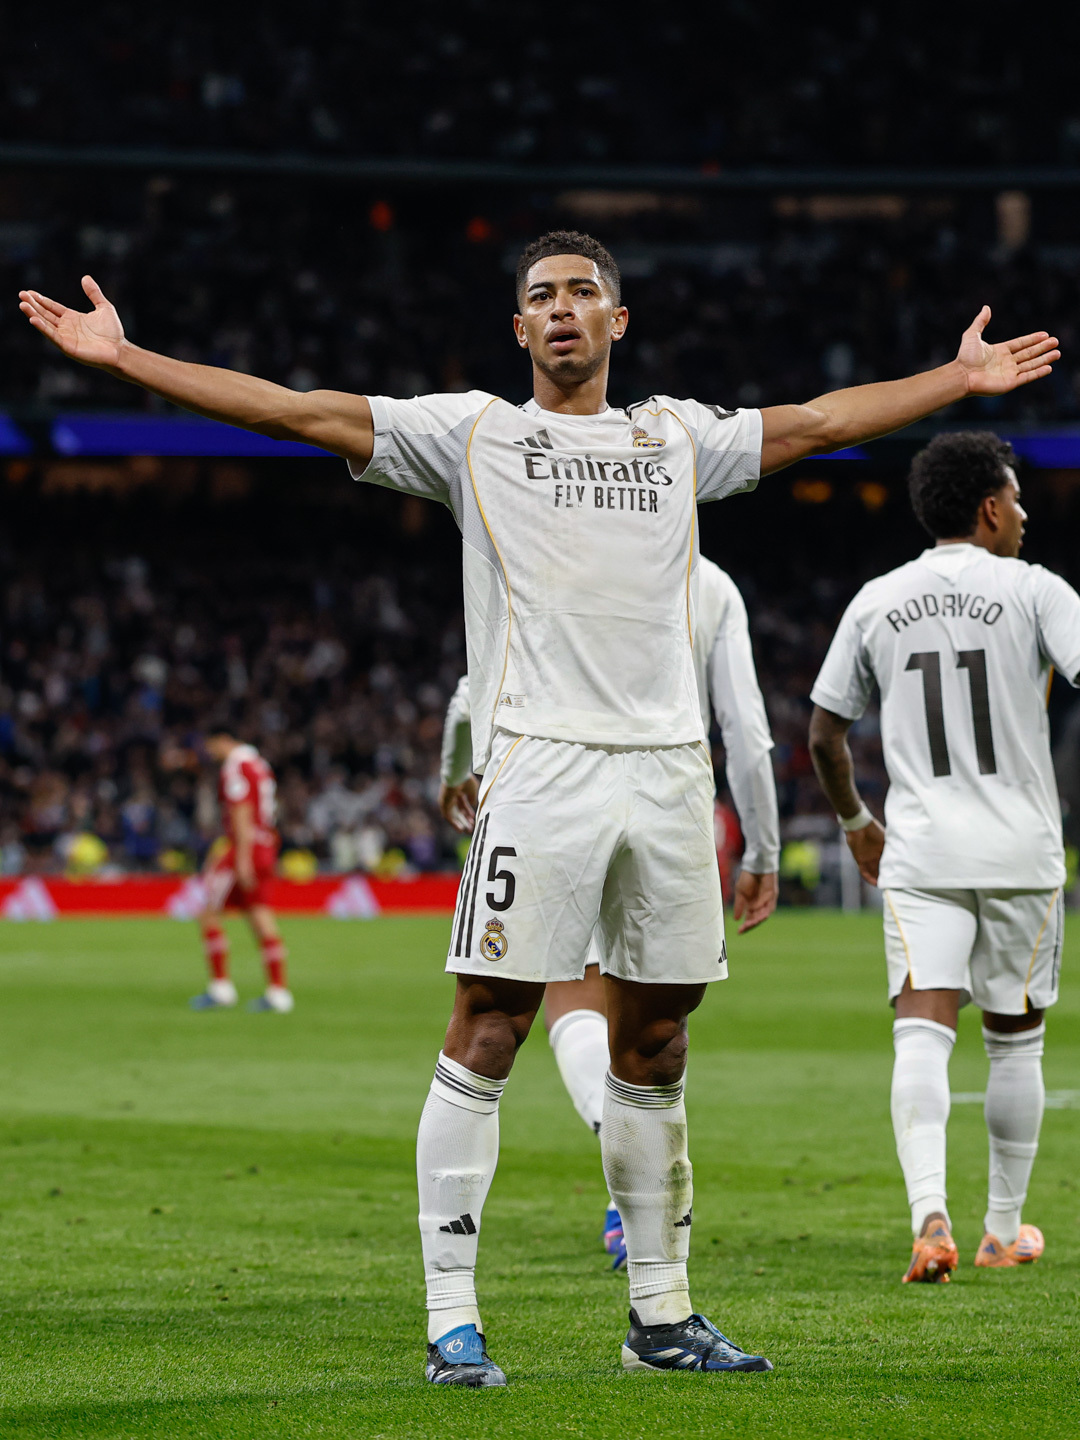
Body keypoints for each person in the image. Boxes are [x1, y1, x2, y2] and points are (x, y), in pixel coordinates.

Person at [19, 233, 1057, 1384]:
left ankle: (660, 1318)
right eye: (539, 298)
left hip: (667, 778)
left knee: (657, 1040)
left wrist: (954, 382)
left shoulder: (675, 439)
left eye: (582, 294)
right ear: (518, 330)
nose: (561, 311)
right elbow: (292, 413)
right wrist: (129, 361)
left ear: (621, 321)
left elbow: (817, 421)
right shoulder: (472, 433)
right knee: (490, 1026)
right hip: (541, 769)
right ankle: (451, 1316)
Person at [438, 556, 781, 1271]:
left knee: (552, 1003)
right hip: (667, 802)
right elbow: (746, 726)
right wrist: (762, 847)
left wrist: (452, 773)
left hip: (554, 794)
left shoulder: (557, 551)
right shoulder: (712, 583)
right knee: (655, 1026)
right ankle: (649, 1233)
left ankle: (613, 1170)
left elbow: (474, 690)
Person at [808, 432, 1079, 1284]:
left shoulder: (877, 599)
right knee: (1015, 1045)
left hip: (919, 852)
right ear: (992, 508)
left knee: (921, 1035)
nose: (1026, 515)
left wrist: (856, 818)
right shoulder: (1036, 590)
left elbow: (823, 732)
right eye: (1018, 499)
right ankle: (1001, 1231)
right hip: (1019, 852)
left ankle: (930, 1215)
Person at [192, 731, 294, 1015]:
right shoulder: (258, 763)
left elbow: (241, 809)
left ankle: (220, 989)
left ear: (221, 739)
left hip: (244, 847)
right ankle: (278, 993)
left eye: (209, 745)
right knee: (259, 913)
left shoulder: (236, 766)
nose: (209, 752)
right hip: (266, 844)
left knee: (208, 913)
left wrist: (242, 857)